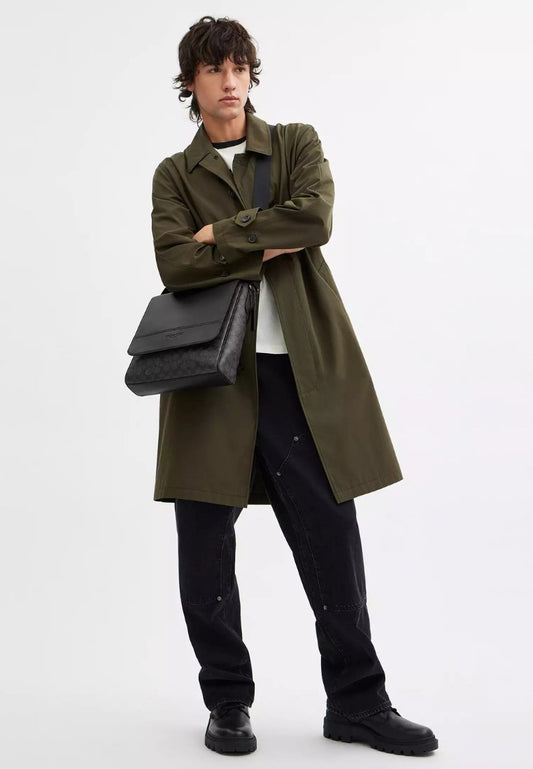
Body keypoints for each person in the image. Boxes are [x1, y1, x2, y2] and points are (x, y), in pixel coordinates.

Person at [150, 14, 439, 756]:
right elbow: (175, 265)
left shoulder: (295, 144)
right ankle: (227, 702)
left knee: (331, 535)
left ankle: (358, 702)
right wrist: (264, 235)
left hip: (296, 372)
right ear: (190, 83)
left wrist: (222, 234)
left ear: (252, 73)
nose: (230, 81)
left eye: (239, 66)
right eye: (213, 69)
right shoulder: (174, 174)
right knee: (204, 545)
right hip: (209, 378)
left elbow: (313, 219)